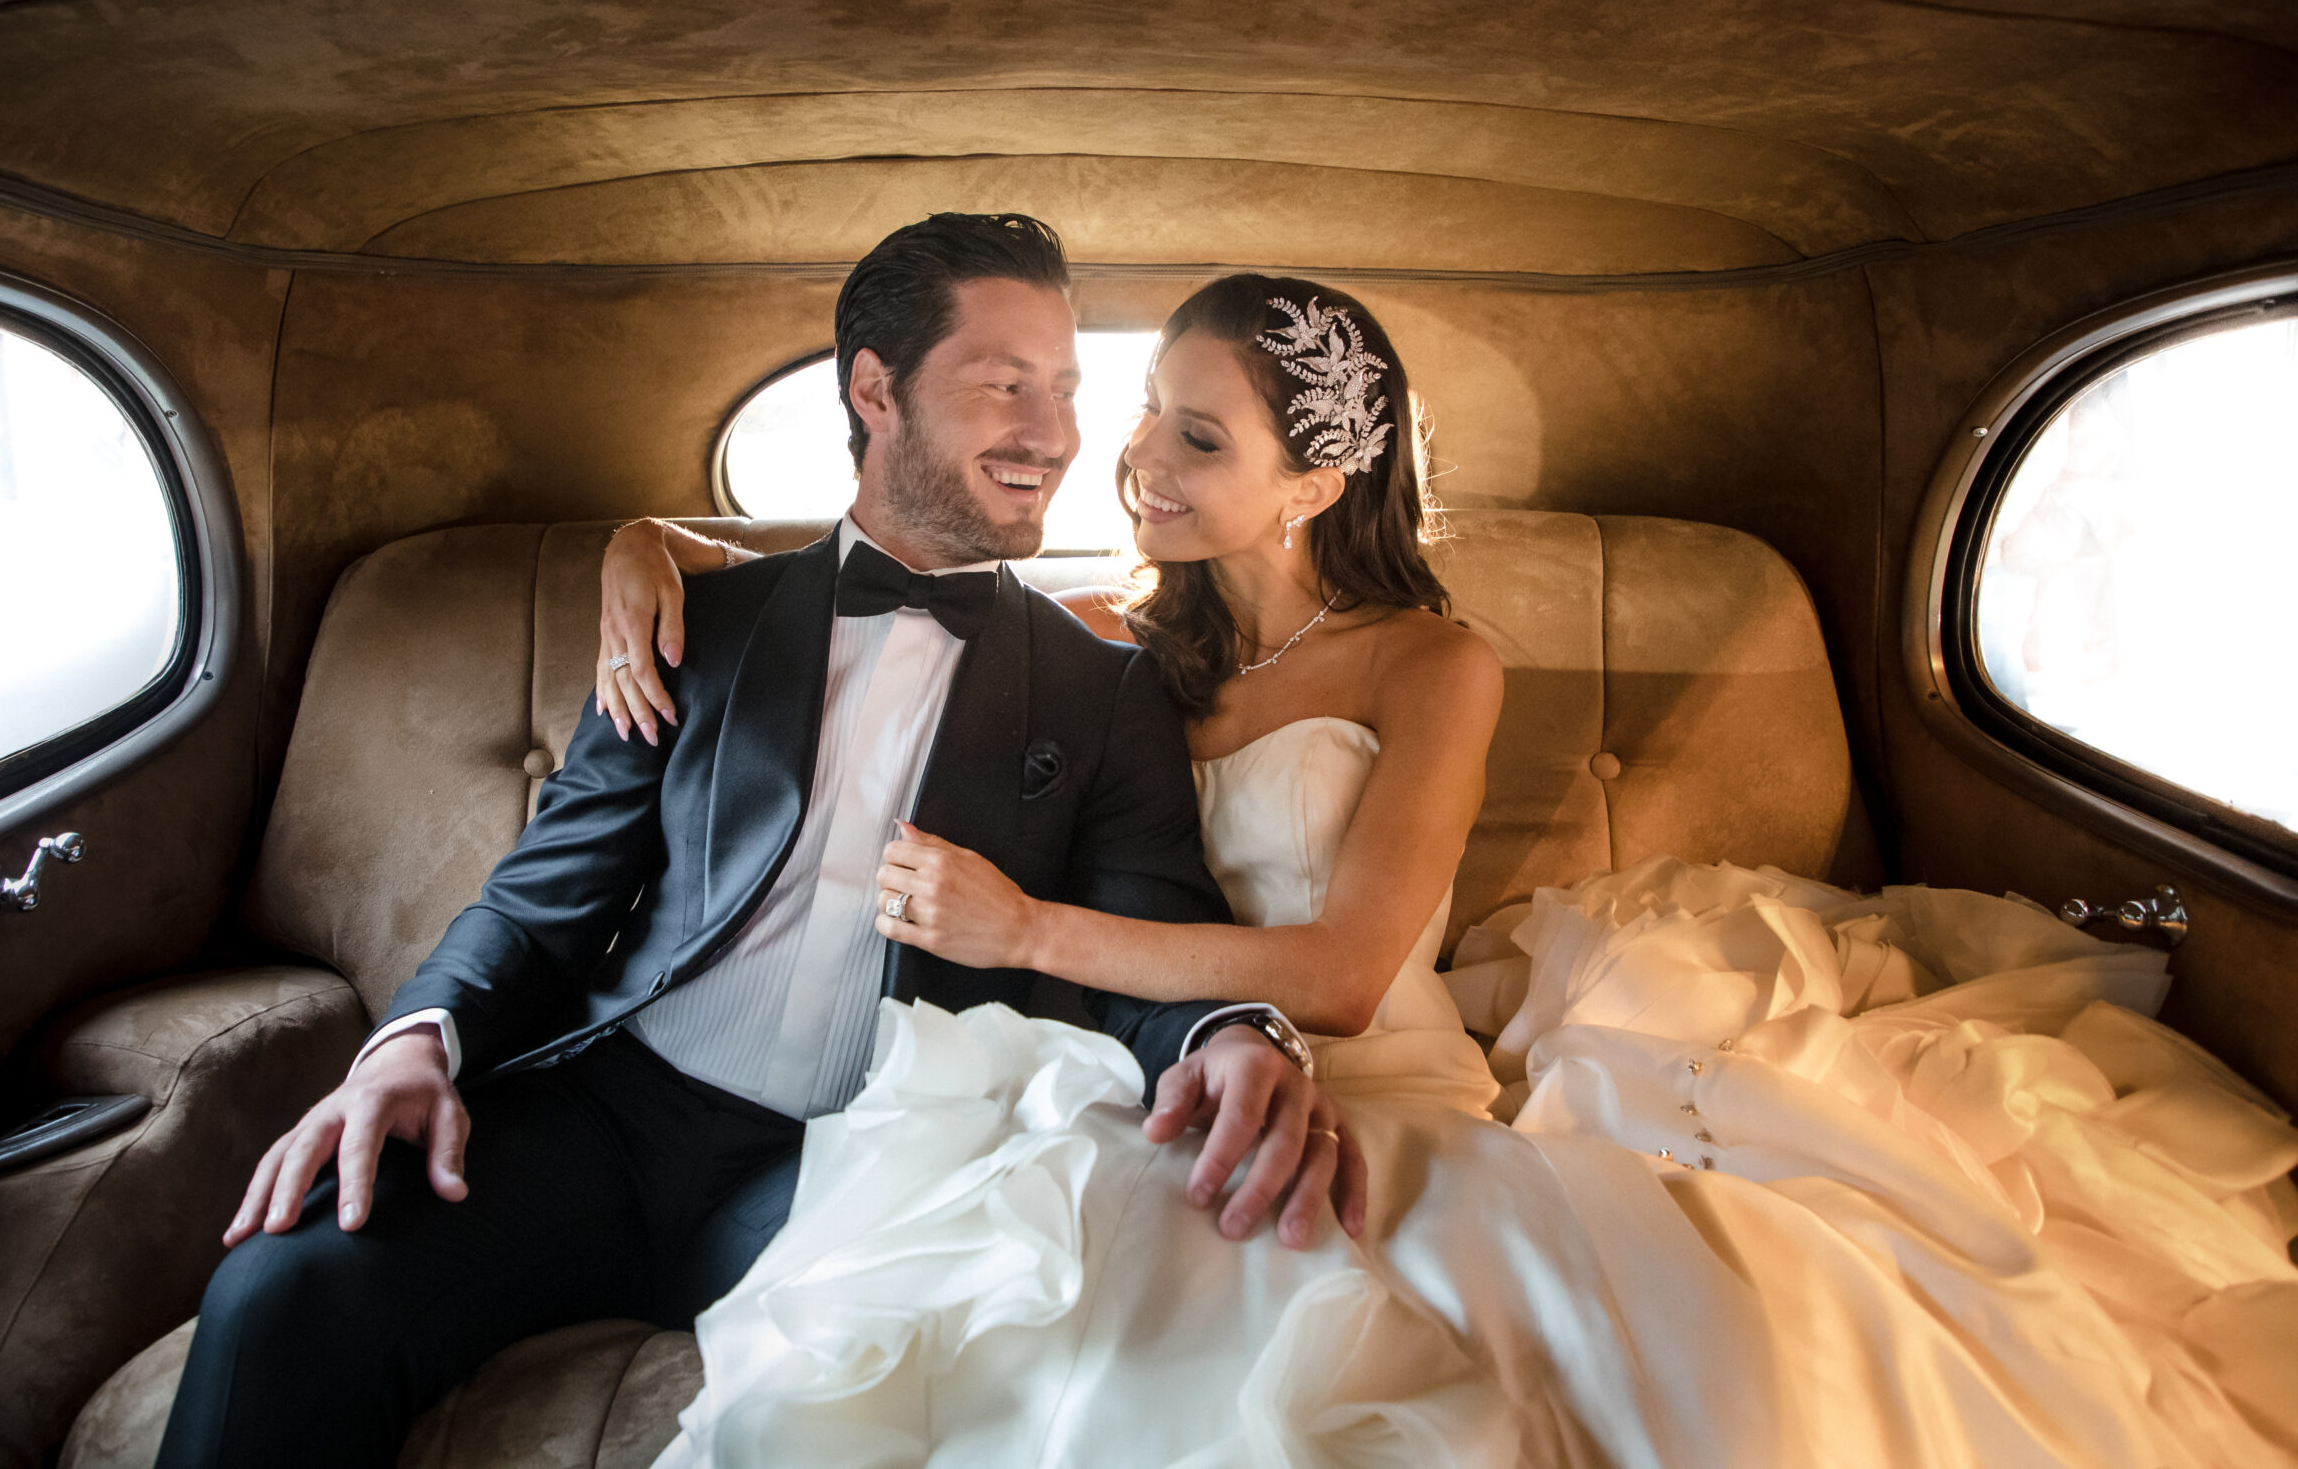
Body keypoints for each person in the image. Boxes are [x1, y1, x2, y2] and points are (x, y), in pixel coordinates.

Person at [596, 275, 2298, 1468]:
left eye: (1198, 438)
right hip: (1161, 1061)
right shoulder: (1114, 634)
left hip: (1374, 1069)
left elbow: (1339, 969)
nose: (1137, 465)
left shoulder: (1435, 664)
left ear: (1317, 480)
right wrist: (644, 544)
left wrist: (1031, 924)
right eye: (1148, 420)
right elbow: (858, 568)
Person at [156, 216, 1352, 1469]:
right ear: (874, 391)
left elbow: (1149, 928)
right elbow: (544, 897)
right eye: (1006, 384)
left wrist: (1231, 1031)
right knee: (284, 1288)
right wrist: (414, 1042)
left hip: (868, 1158)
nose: (1053, 435)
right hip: (610, 1116)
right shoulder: (696, 621)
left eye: (1062, 390)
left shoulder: (1105, 690)